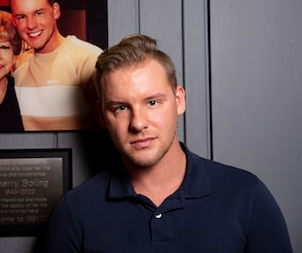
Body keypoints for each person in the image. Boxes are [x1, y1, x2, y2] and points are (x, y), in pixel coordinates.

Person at [43, 34, 293, 252]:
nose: (138, 123)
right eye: (121, 107)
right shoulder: (75, 212)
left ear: (179, 100)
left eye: (152, 102)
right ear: (102, 116)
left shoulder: (246, 196)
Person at [8, 0, 103, 131]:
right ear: (14, 21)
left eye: (38, 13)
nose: (31, 25)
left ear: (55, 11)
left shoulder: (87, 58)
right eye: (21, 17)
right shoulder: (18, 65)